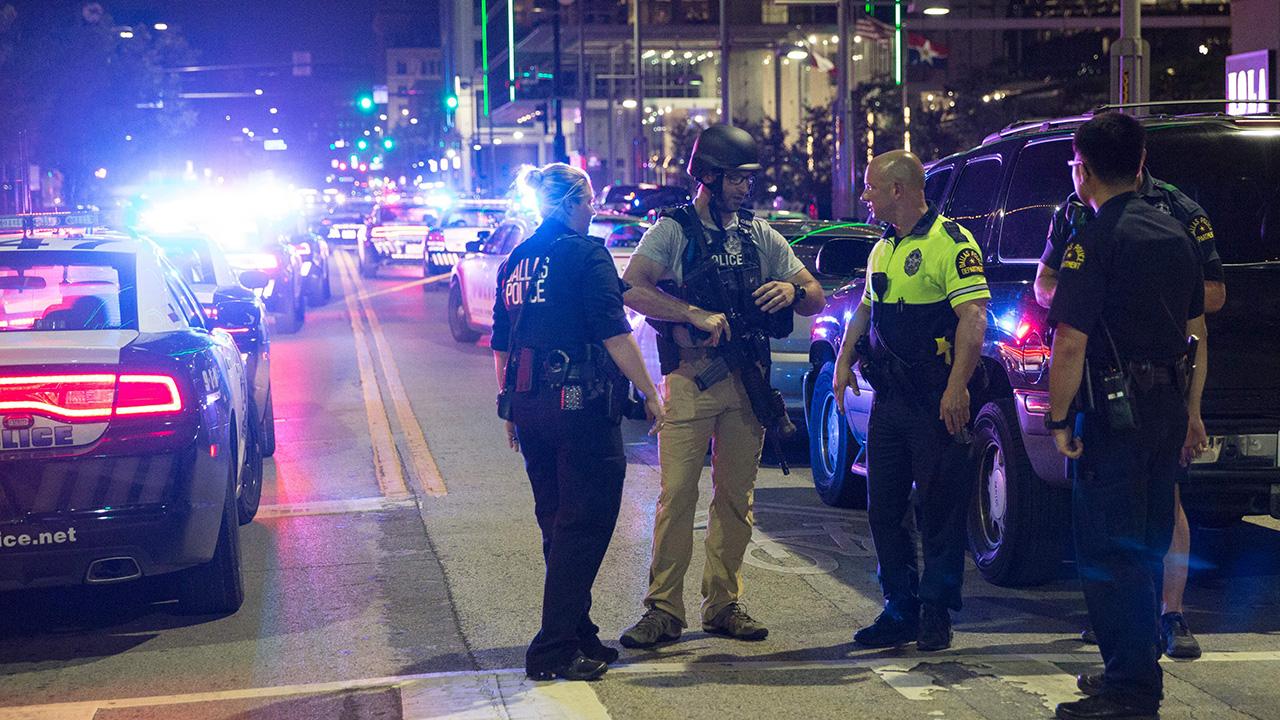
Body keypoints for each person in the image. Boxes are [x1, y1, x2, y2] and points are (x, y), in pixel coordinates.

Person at [618, 124, 825, 647]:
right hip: (690, 379)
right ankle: (663, 609)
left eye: (747, 178)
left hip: (747, 383)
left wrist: (792, 288)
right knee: (677, 497)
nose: (744, 188)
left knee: (736, 498)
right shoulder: (674, 230)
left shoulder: (760, 235)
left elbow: (816, 296)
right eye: (735, 178)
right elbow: (633, 289)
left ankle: (723, 604)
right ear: (707, 176)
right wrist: (691, 312)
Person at [1045, 113, 1208, 720]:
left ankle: (1131, 691)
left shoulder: (1093, 238)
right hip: (1168, 409)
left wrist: (1059, 419)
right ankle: (1132, 669)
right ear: (1141, 165)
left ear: (1082, 168)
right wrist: (1193, 411)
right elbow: (1196, 333)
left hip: (1116, 416)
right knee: (1148, 542)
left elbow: (1070, 342)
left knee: (1109, 551)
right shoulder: (1174, 232)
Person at [492, 162, 665, 681]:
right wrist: (651, 395)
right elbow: (616, 333)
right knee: (585, 524)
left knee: (557, 523)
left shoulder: (517, 259)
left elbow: (502, 344)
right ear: (570, 203)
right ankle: (554, 648)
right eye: (588, 201)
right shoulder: (585, 254)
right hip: (580, 406)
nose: (593, 210)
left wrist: (507, 404)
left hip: (528, 405)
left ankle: (580, 631)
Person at [833, 150, 990, 652]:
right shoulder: (883, 247)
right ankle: (899, 607)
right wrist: (842, 359)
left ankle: (936, 613)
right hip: (891, 402)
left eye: (870, 187)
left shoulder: (951, 243)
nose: (865, 196)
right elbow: (864, 309)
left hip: (934, 401)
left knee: (939, 511)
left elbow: (973, 319)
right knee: (883, 510)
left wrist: (956, 386)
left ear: (898, 189)